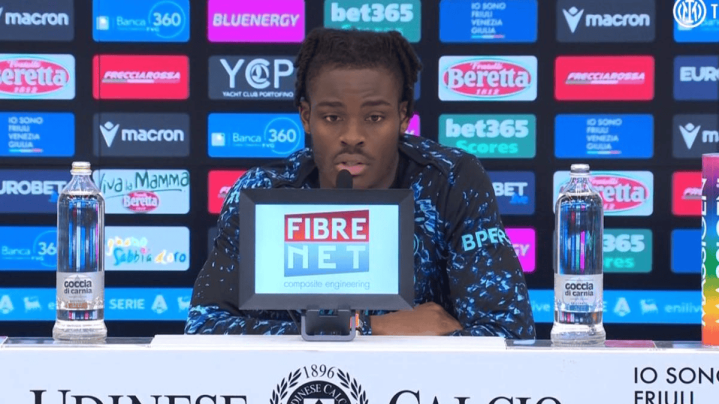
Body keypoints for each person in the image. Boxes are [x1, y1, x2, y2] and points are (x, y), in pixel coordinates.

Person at [186, 27, 536, 338]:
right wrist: (368, 329)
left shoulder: (451, 181)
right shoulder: (262, 192)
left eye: (375, 117)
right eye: (332, 117)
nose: (352, 136)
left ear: (403, 116)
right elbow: (204, 328)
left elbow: (508, 332)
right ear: (306, 116)